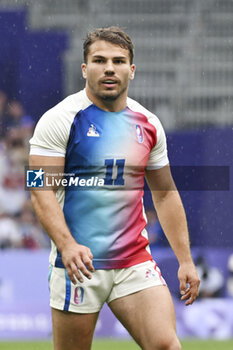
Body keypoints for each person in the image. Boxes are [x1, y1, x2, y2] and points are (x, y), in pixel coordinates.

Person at [29, 27, 200, 350]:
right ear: (85, 68)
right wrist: (67, 246)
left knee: (167, 346)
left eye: (119, 61)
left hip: (134, 262)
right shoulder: (59, 119)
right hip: (79, 264)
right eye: (100, 60)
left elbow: (164, 193)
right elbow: (40, 189)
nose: (109, 68)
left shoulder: (148, 123)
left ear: (131, 71)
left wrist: (185, 260)